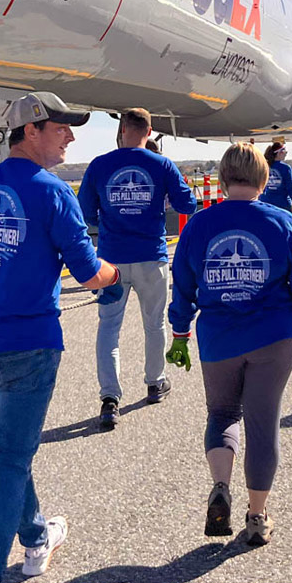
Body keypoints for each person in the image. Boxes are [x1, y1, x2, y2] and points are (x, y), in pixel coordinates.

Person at [0, 92, 123, 583]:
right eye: (61, 128)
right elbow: (86, 272)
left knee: (11, 449)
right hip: (29, 349)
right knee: (10, 462)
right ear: (30, 131)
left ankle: (36, 537)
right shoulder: (53, 193)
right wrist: (116, 275)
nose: (71, 137)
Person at [166, 143, 292, 546]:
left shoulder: (199, 225)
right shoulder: (282, 221)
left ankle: (221, 484)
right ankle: (257, 516)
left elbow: (183, 283)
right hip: (274, 336)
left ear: (222, 180)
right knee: (263, 423)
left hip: (219, 336)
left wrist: (179, 333)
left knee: (222, 413)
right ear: (264, 179)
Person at [78, 107, 197, 430]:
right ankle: (155, 382)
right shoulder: (161, 165)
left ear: (122, 131)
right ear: (149, 131)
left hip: (112, 259)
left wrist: (110, 221)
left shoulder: (100, 165)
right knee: (154, 324)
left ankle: (109, 398)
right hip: (151, 255)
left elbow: (86, 212)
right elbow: (187, 204)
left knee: (109, 328)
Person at [260, 141, 292, 215]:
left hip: (265, 202)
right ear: (279, 152)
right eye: (285, 151)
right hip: (282, 204)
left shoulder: (264, 166)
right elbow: (290, 187)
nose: (286, 153)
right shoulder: (285, 168)